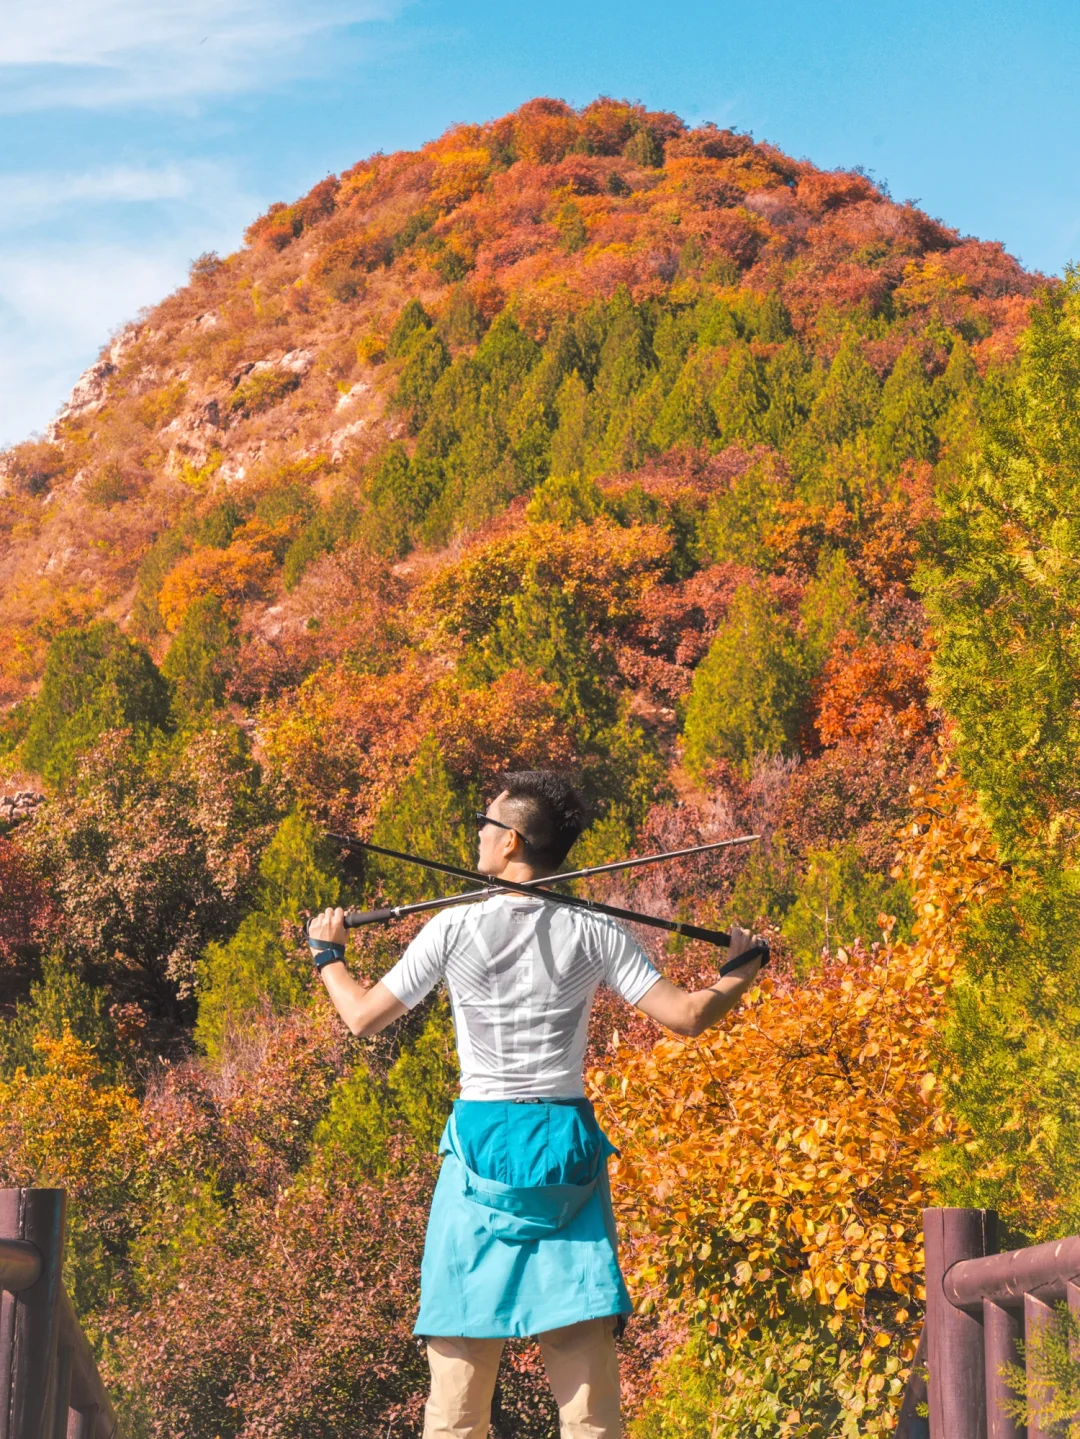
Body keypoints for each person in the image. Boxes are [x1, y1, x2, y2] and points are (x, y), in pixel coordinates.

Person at [308, 770, 765, 1439]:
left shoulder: (453, 927)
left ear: (512, 840)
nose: (478, 837)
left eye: (485, 826)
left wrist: (329, 954)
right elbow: (689, 1016)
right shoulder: (594, 930)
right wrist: (741, 968)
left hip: (479, 1149)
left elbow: (363, 1017)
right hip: (565, 1152)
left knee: (456, 1413)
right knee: (590, 1417)